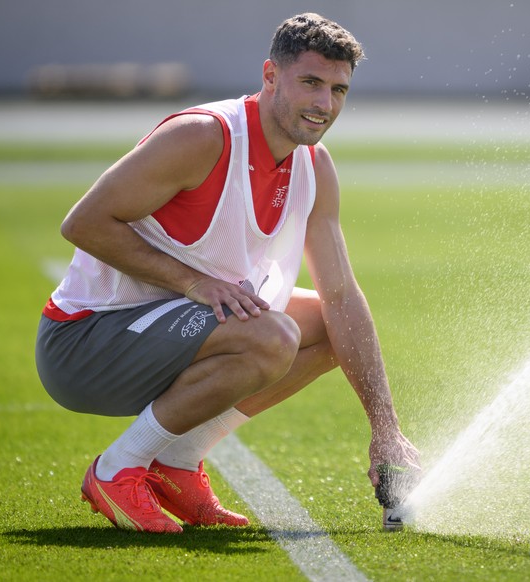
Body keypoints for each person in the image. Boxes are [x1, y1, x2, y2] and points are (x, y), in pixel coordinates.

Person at [34, 12, 420, 533]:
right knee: (272, 334)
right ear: (269, 76)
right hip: (83, 343)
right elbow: (83, 223)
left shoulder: (315, 166)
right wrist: (194, 282)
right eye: (310, 82)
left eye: (338, 89)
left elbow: (342, 296)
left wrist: (386, 429)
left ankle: (176, 463)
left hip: (167, 329)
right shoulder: (204, 136)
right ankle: (116, 469)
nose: (324, 104)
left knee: (333, 327)